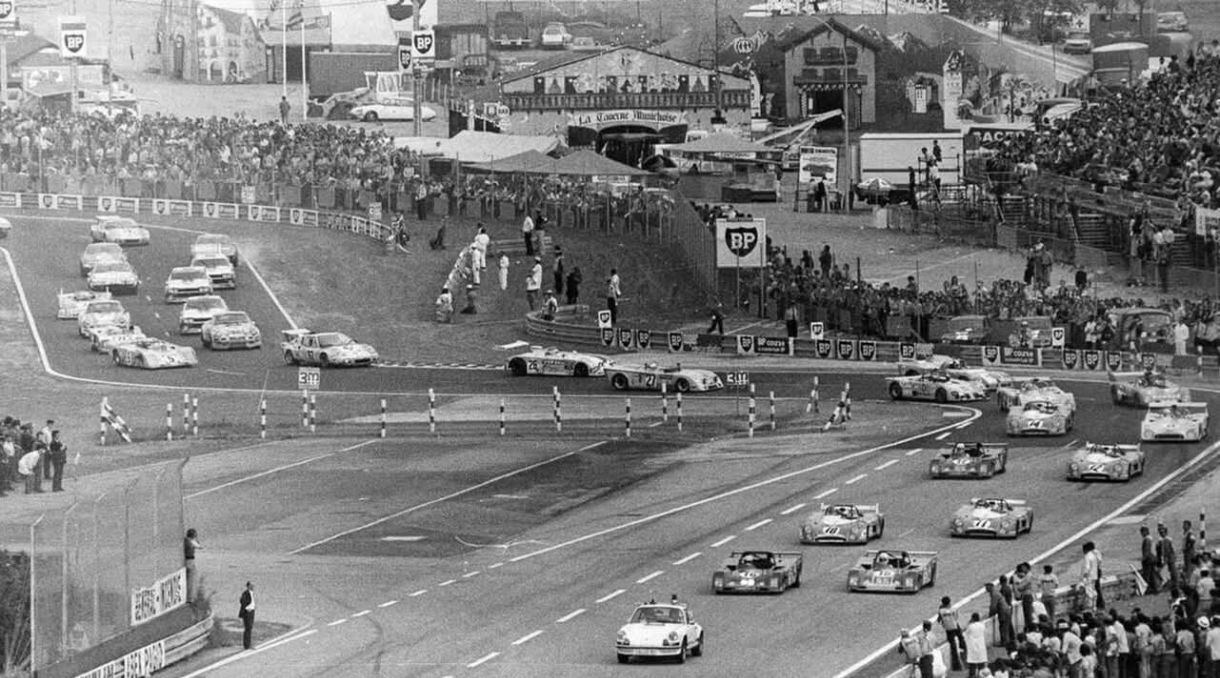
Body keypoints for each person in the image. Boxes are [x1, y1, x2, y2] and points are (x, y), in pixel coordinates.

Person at [938, 595, 966, 672]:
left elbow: (939, 620)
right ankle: (964, 651)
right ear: (949, 602)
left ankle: (956, 665)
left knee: (953, 646)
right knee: (961, 638)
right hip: (955, 626)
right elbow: (956, 618)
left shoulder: (941, 611)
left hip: (948, 629)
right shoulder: (954, 609)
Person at [964, 612, 988, 677]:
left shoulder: (971, 626)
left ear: (972, 618)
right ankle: (982, 675)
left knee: (972, 662)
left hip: (973, 646)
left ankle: (972, 675)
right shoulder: (982, 625)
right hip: (981, 646)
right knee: (981, 662)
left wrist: (968, 623)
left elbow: (966, 634)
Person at [1142, 525, 1163, 595]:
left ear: (1145, 532)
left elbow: (1146, 551)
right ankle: (1157, 587)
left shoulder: (1147, 540)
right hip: (1153, 558)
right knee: (1154, 574)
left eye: (1142, 532)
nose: (1141, 534)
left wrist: (1143, 559)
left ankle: (1150, 588)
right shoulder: (1151, 538)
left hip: (1149, 560)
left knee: (1148, 575)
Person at [183, 528, 202, 602]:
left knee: (186, 579)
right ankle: (190, 598)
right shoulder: (191, 542)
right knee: (191, 580)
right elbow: (199, 546)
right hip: (190, 561)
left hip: (185, 560)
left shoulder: (185, 541)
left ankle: (187, 597)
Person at [238, 582, 256, 650]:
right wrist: (247, 608)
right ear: (248, 586)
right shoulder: (245, 593)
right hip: (247, 612)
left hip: (252, 611)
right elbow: (242, 601)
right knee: (248, 628)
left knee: (250, 627)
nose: (253, 587)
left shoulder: (251, 593)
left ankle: (248, 644)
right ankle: (247, 645)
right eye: (251, 585)